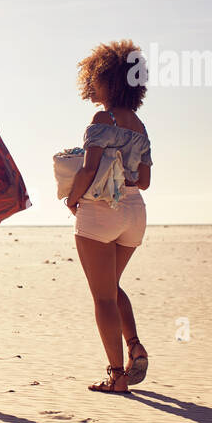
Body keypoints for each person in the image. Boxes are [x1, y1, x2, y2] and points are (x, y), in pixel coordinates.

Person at [66, 39, 153, 393]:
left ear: (109, 81)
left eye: (96, 79)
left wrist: (71, 199)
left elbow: (88, 170)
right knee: (111, 287)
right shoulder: (140, 126)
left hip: (101, 212)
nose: (92, 85)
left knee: (101, 296)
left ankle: (116, 375)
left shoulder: (104, 119)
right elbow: (144, 181)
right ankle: (134, 347)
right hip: (134, 213)